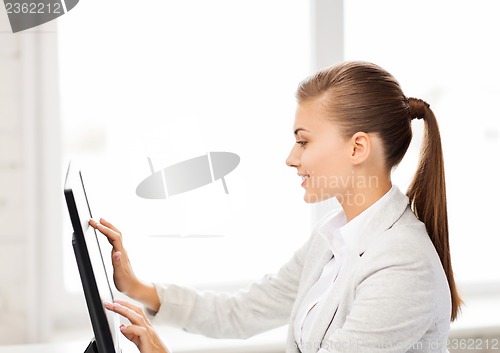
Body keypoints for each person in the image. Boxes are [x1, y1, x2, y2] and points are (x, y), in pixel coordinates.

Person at [90, 61, 461, 353]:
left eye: (304, 142)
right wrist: (137, 288)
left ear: (357, 148)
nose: (290, 158)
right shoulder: (333, 239)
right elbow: (243, 311)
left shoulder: (402, 266)